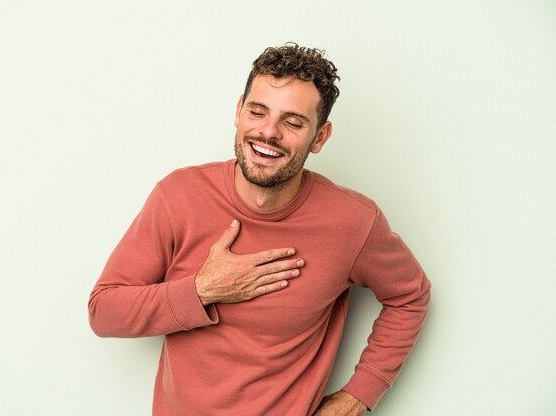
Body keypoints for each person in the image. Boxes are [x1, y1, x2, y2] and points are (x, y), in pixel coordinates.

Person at [88, 43, 431, 416]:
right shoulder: (179, 196)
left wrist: (359, 396)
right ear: (238, 112)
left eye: (293, 122)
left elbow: (410, 297)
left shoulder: (353, 222)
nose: (269, 132)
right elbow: (104, 312)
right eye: (258, 111)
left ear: (320, 137)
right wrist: (203, 290)